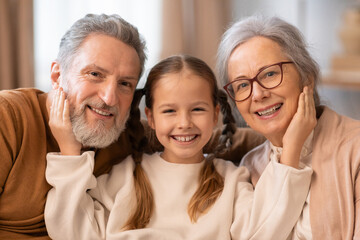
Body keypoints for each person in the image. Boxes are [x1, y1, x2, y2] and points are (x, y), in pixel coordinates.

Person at [45, 54, 314, 240]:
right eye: (169, 111)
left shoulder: (232, 180)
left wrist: (291, 150)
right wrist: (70, 152)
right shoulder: (125, 175)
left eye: (197, 109)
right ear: (150, 117)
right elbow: (70, 230)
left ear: (215, 114)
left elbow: (266, 232)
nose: (184, 123)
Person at [0, 13, 146, 239]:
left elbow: (200, 137)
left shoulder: (128, 134)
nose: (109, 98)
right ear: (57, 75)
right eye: (95, 74)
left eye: (125, 84)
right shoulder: (7, 116)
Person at [217, 15, 360, 239]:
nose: (258, 94)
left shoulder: (355, 149)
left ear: (307, 78)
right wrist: (291, 151)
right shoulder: (250, 167)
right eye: (242, 85)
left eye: (270, 73)